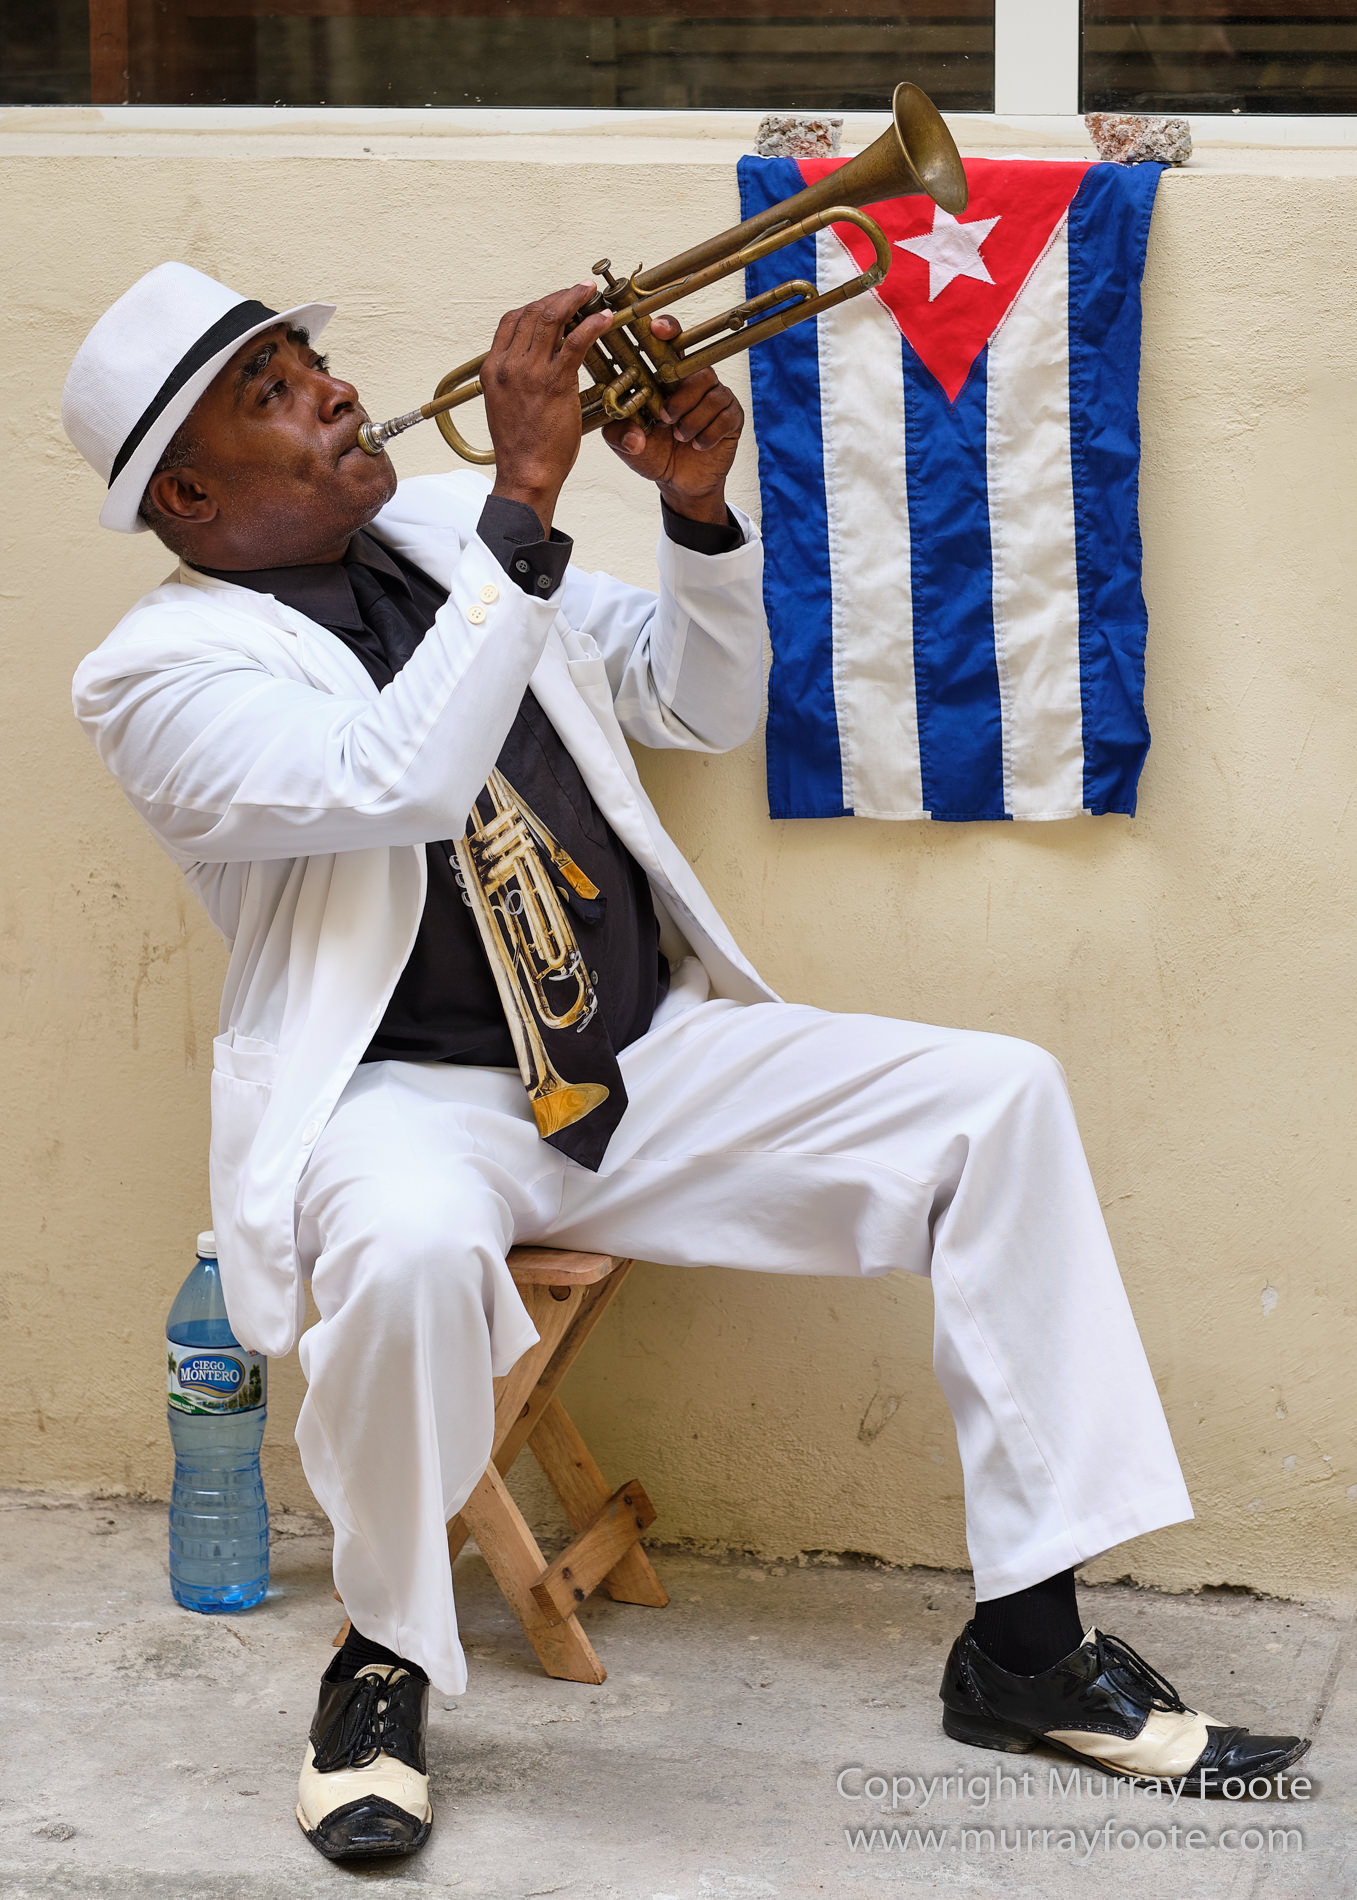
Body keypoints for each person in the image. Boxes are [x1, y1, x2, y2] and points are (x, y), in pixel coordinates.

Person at [66, 262, 1308, 1864]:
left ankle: (1027, 1647)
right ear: (187, 494)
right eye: (275, 390)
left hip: (631, 1053)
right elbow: (397, 777)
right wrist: (526, 495)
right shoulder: (158, 677)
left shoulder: (445, 534)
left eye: (311, 359)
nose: (334, 389)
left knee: (995, 1101)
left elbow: (694, 699)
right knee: (408, 1253)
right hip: (409, 1099)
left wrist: (697, 516)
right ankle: (381, 1660)